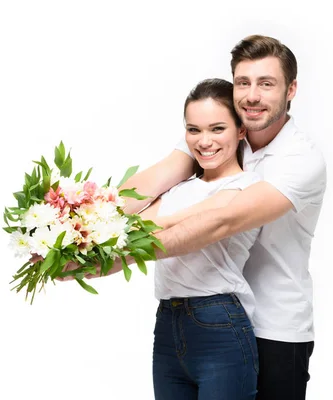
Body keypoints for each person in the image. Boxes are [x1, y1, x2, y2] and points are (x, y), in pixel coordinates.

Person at [119, 35, 327, 400]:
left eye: (266, 84)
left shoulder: (300, 160)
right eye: (243, 83)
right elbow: (148, 186)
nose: (252, 95)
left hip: (276, 325)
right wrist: (79, 223)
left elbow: (222, 221)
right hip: (212, 312)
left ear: (291, 89)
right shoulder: (223, 135)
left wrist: (124, 251)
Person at [138, 78, 261, 399]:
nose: (204, 141)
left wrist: (144, 224)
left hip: (220, 325)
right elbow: (129, 235)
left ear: (241, 131)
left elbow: (202, 220)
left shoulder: (249, 187)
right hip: (167, 325)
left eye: (217, 129)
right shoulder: (177, 189)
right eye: (194, 130)